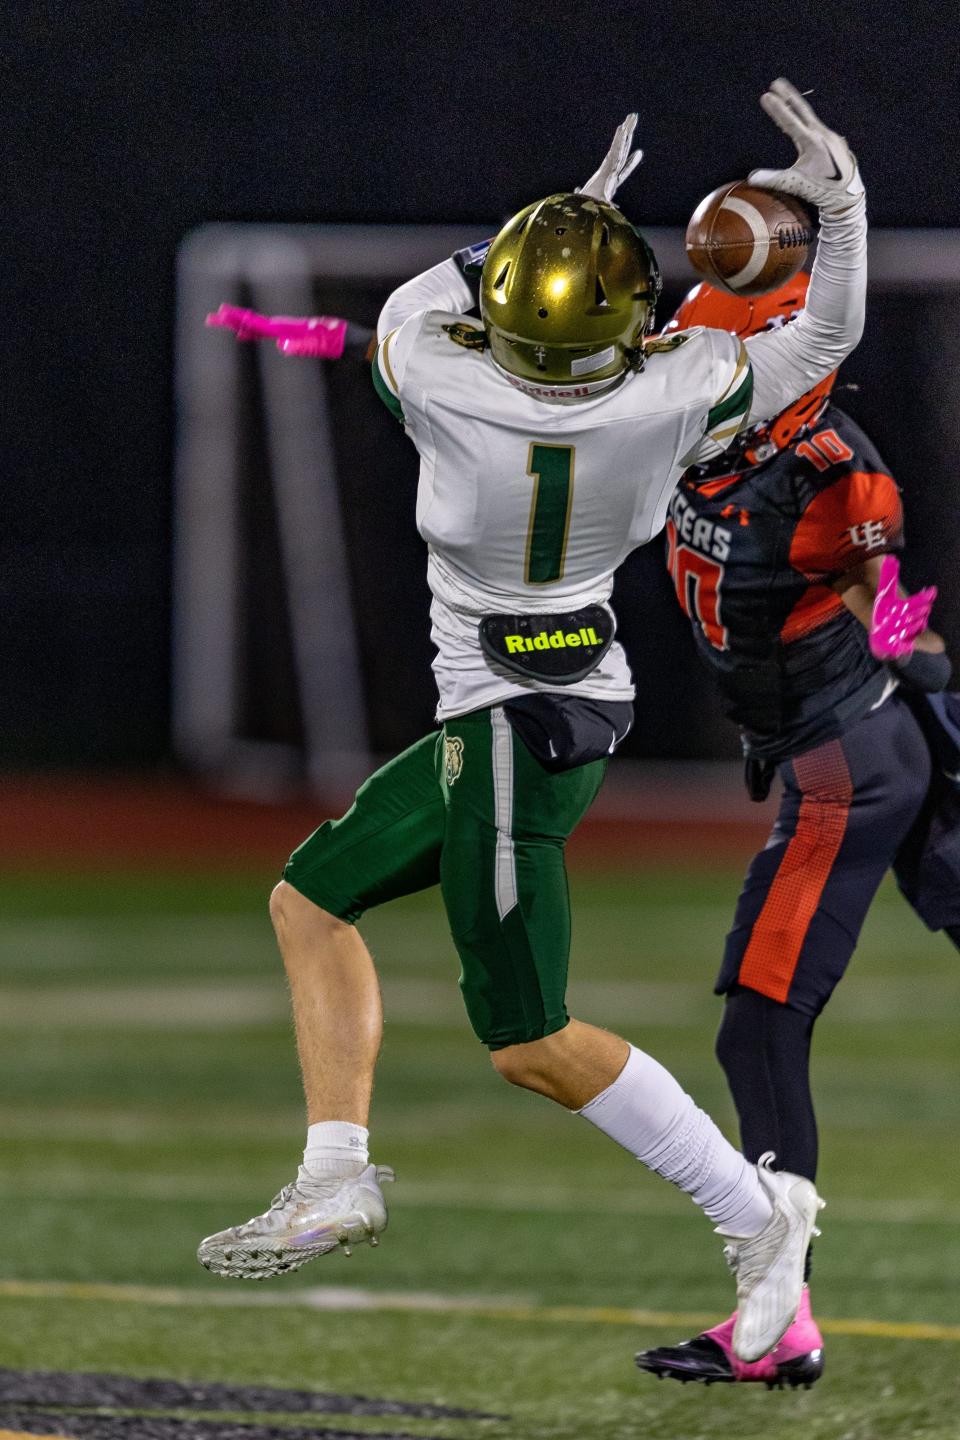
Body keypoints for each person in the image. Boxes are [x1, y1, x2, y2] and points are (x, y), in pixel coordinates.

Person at [197, 80, 867, 1365]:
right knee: (309, 899)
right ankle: (337, 1170)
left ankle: (757, 1217)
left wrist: (554, 216)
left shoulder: (436, 370)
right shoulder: (680, 389)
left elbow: (431, 297)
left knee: (527, 1040)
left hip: (511, 722)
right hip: (555, 694)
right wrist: (838, 215)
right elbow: (820, 341)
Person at [632, 276, 955, 1389]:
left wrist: (937, 682)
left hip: (851, 761)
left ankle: (777, 1321)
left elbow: (889, 602)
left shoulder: (832, 470)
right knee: (760, 1030)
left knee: (759, 1027)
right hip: (834, 754)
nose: (693, 371)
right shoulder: (687, 431)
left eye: (717, 357)